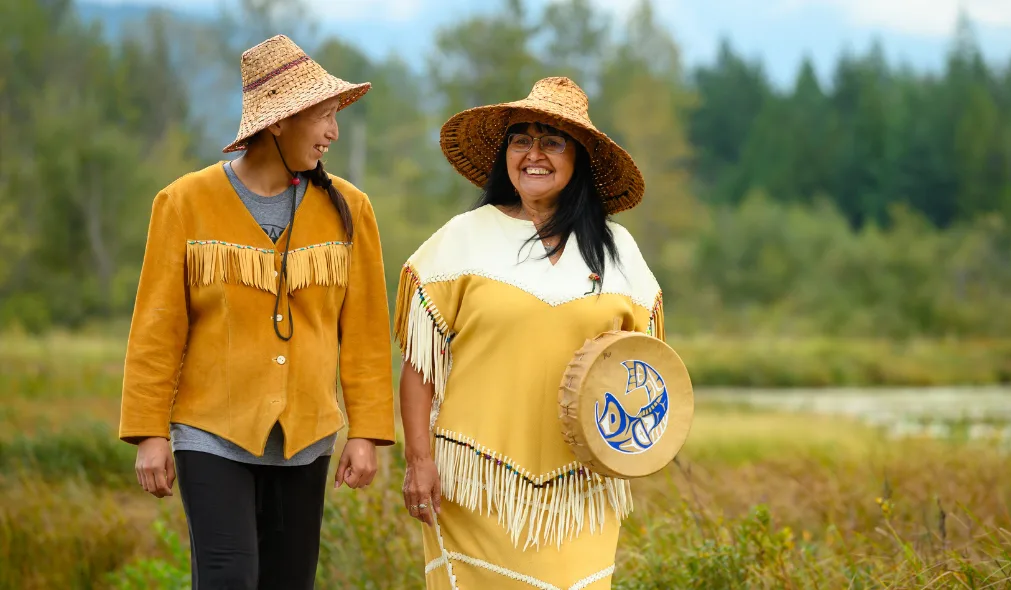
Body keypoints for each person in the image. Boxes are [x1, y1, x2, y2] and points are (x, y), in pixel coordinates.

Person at [118, 35, 396, 589]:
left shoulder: (351, 210)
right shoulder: (183, 203)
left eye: (334, 117)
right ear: (278, 122)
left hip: (308, 435)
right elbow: (157, 328)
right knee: (229, 578)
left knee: (289, 581)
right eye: (323, 117)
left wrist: (366, 433)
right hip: (210, 431)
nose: (332, 133)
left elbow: (363, 333)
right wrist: (149, 434)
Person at [394, 76, 664, 589]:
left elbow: (648, 367)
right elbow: (418, 366)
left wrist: (635, 445)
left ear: (579, 159)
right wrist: (419, 462)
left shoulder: (619, 251)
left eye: (552, 141)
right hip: (474, 487)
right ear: (506, 155)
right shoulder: (463, 239)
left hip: (582, 487)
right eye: (522, 139)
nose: (533, 154)